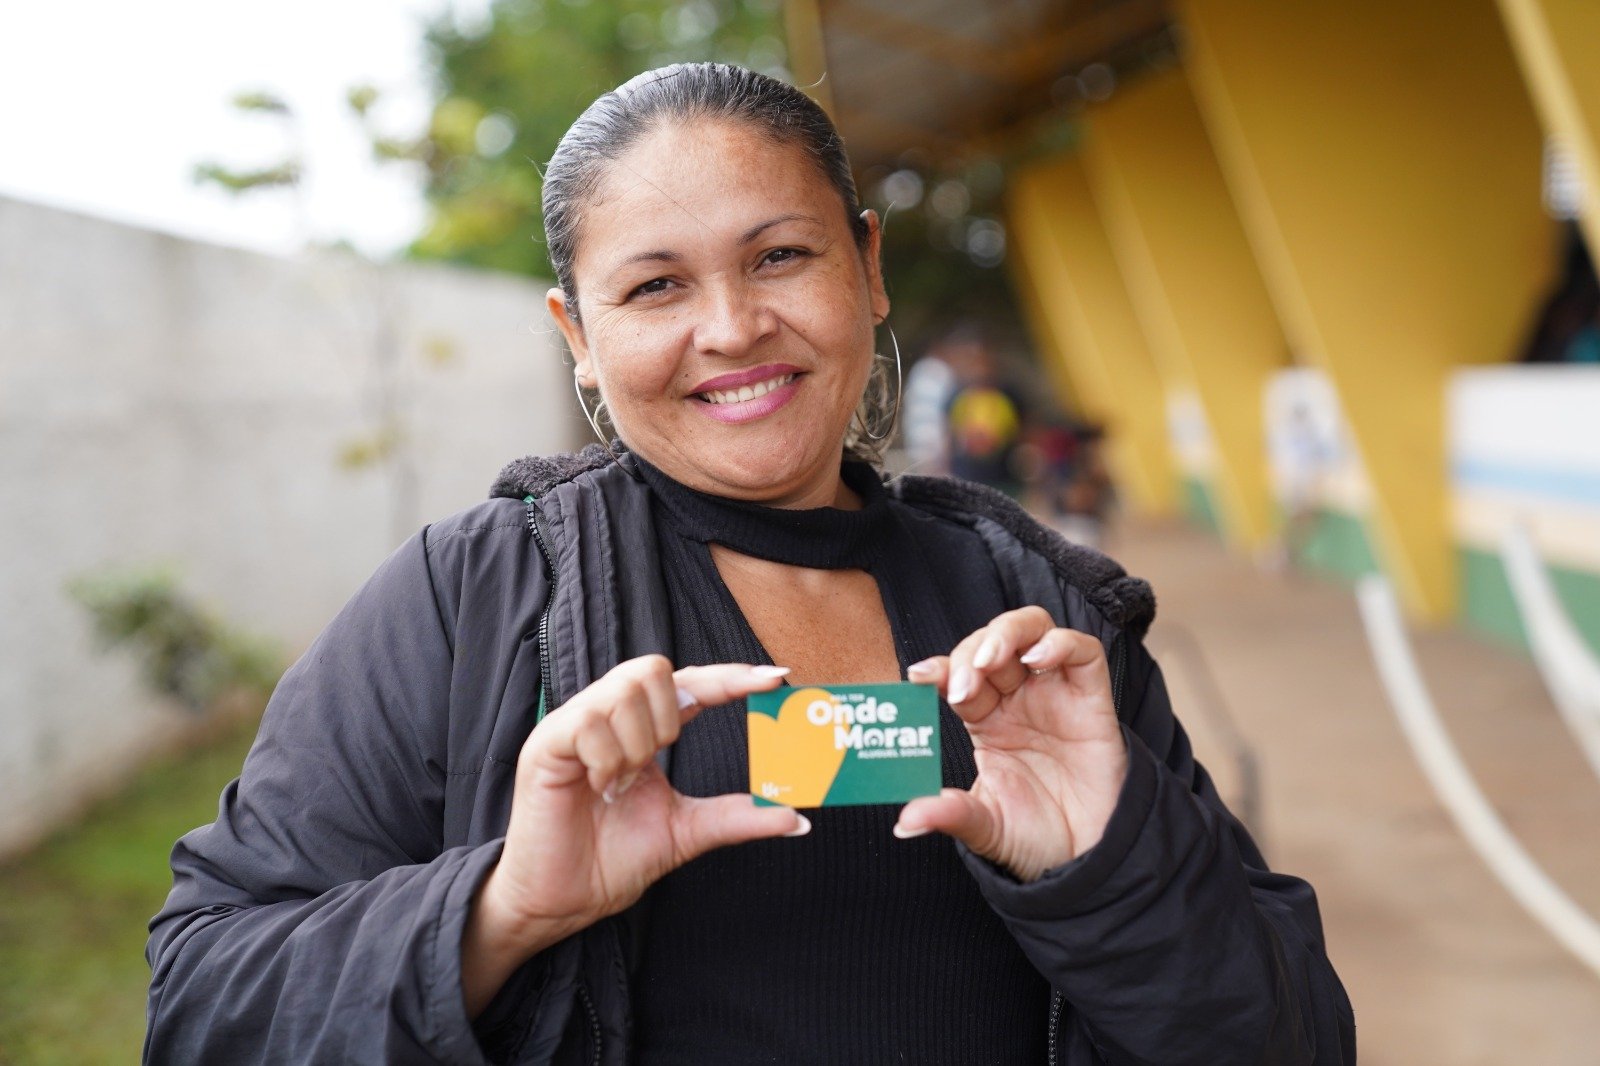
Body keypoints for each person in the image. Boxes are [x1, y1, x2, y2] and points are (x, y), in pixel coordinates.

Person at [144, 63, 1355, 1064]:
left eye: (778, 256)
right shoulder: (472, 600)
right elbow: (203, 1003)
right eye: (654, 285)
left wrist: (1110, 871)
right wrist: (503, 909)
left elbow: (1291, 1036)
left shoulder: (1037, 611)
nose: (730, 328)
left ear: (867, 268)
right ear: (578, 333)